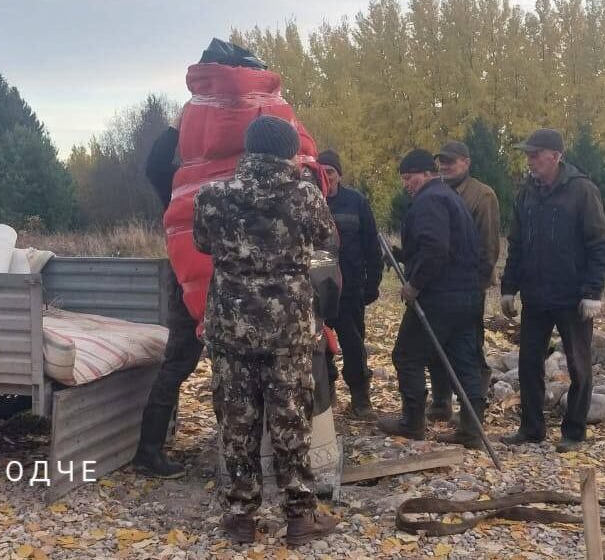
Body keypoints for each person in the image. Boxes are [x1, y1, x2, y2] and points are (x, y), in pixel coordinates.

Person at [193, 116, 340, 546]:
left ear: (249, 149)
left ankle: (240, 518)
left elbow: (202, 243)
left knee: (236, 423)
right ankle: (299, 517)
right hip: (287, 332)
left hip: (230, 329)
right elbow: (325, 240)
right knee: (291, 421)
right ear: (288, 151)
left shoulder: (213, 196)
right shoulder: (306, 197)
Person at [499, 128, 605, 453]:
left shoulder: (582, 191)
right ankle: (532, 428)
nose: (530, 161)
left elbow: (598, 244)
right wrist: (509, 288)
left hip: (572, 297)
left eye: (536, 154)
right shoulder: (526, 194)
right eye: (528, 155)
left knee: (579, 365)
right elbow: (516, 244)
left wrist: (593, 292)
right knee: (529, 362)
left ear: (555, 156)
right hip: (535, 295)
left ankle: (574, 433)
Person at [377, 149, 485, 447]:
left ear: (426, 173)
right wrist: (400, 255)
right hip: (466, 295)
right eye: (402, 178)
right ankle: (472, 430)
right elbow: (442, 246)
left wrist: (414, 284)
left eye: (409, 177)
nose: (405, 184)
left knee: (407, 355)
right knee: (464, 362)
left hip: (439, 297)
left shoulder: (429, 200)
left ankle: (412, 422)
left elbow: (436, 249)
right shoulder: (450, 198)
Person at [131, 122, 204, 479]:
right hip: (191, 284)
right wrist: (178, 125)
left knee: (238, 368)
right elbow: (154, 165)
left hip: (234, 284)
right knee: (178, 363)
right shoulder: (180, 181)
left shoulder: (233, 175)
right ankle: (149, 450)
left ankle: (240, 446)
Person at [427, 140, 500, 424]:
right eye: (441, 162)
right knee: (436, 344)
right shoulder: (436, 191)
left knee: (469, 348)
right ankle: (440, 402)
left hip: (468, 287)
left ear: (466, 162)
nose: (444, 166)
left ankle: (472, 412)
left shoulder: (483, 196)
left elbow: (488, 246)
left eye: (451, 161)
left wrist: (477, 285)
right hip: (439, 287)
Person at [315, 150, 384, 420]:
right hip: (317, 293)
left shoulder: (356, 201)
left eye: (331, 171)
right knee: (319, 344)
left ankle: (361, 398)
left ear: (339, 174)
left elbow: (372, 245)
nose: (327, 177)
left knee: (354, 345)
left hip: (350, 290)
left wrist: (373, 283)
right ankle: (326, 393)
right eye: (321, 171)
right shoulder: (309, 201)